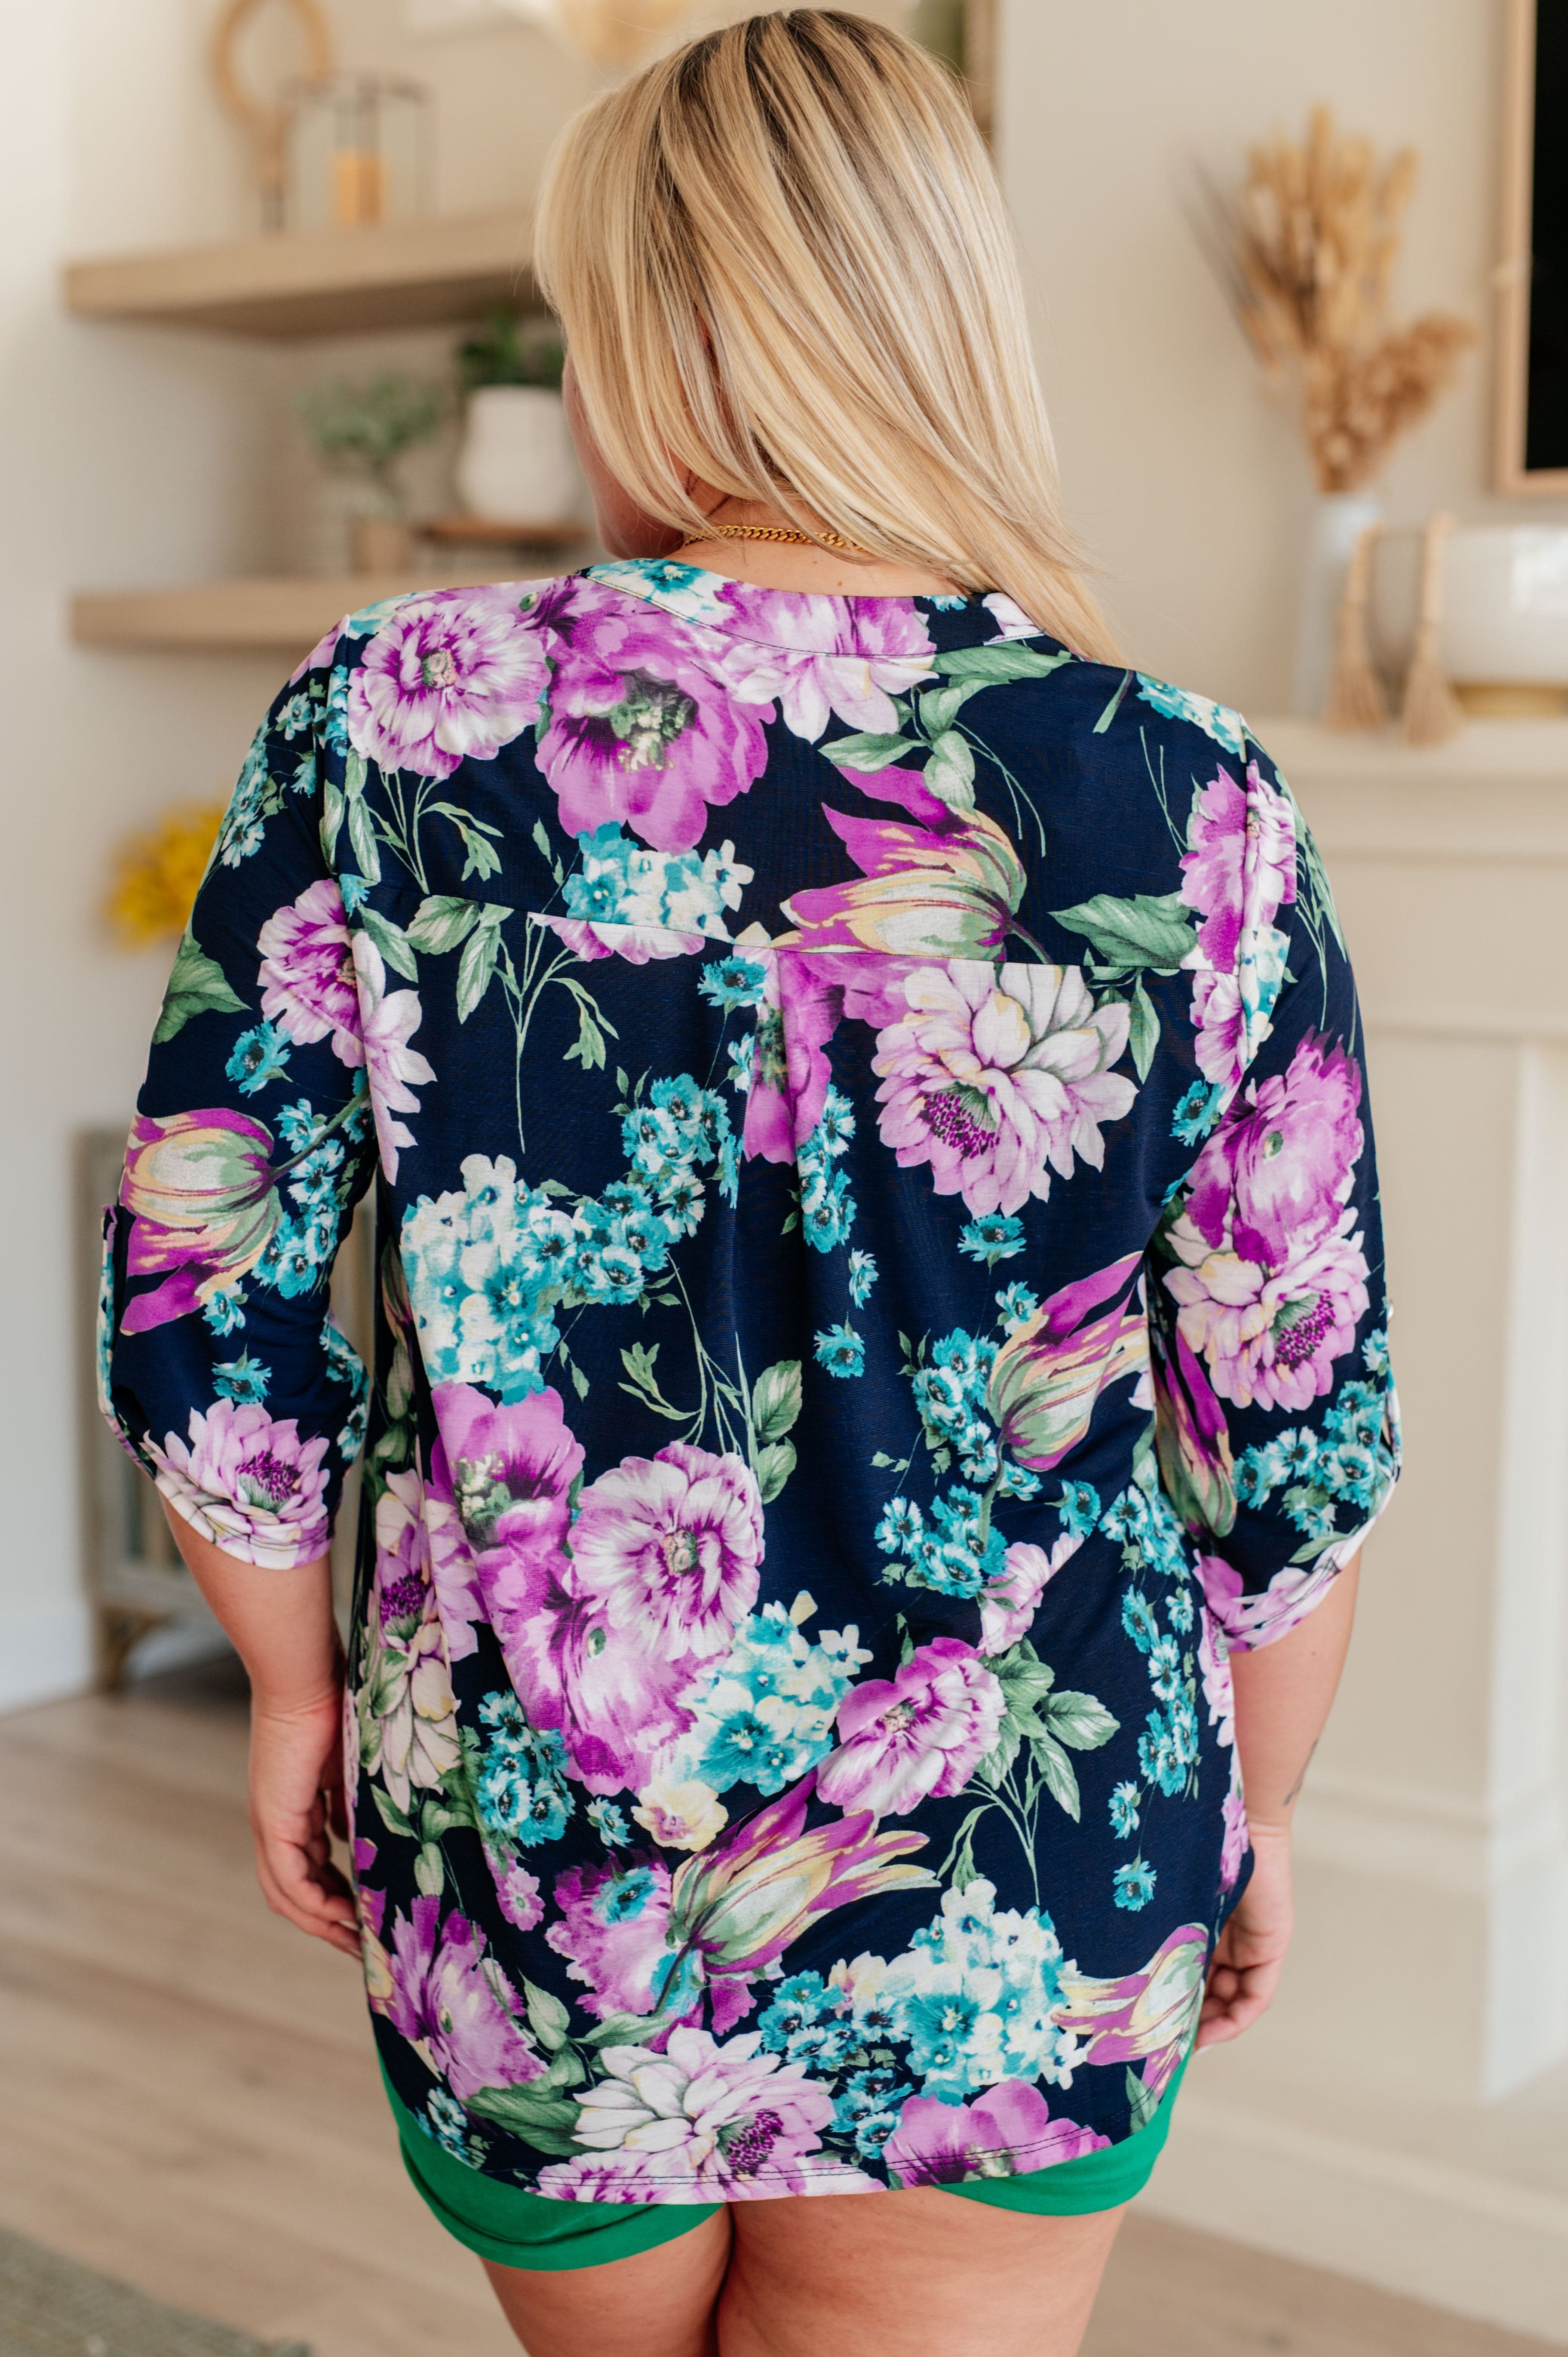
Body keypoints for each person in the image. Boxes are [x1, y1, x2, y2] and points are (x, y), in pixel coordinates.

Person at [98, 13, 1399, 2355]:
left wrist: (289, 1693)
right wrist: (1267, 1807)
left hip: (540, 1863)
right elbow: (1283, 1431)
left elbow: (219, 1292)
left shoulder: (388, 732)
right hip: (1022, 1887)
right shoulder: (1179, 802)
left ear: (647, 343)